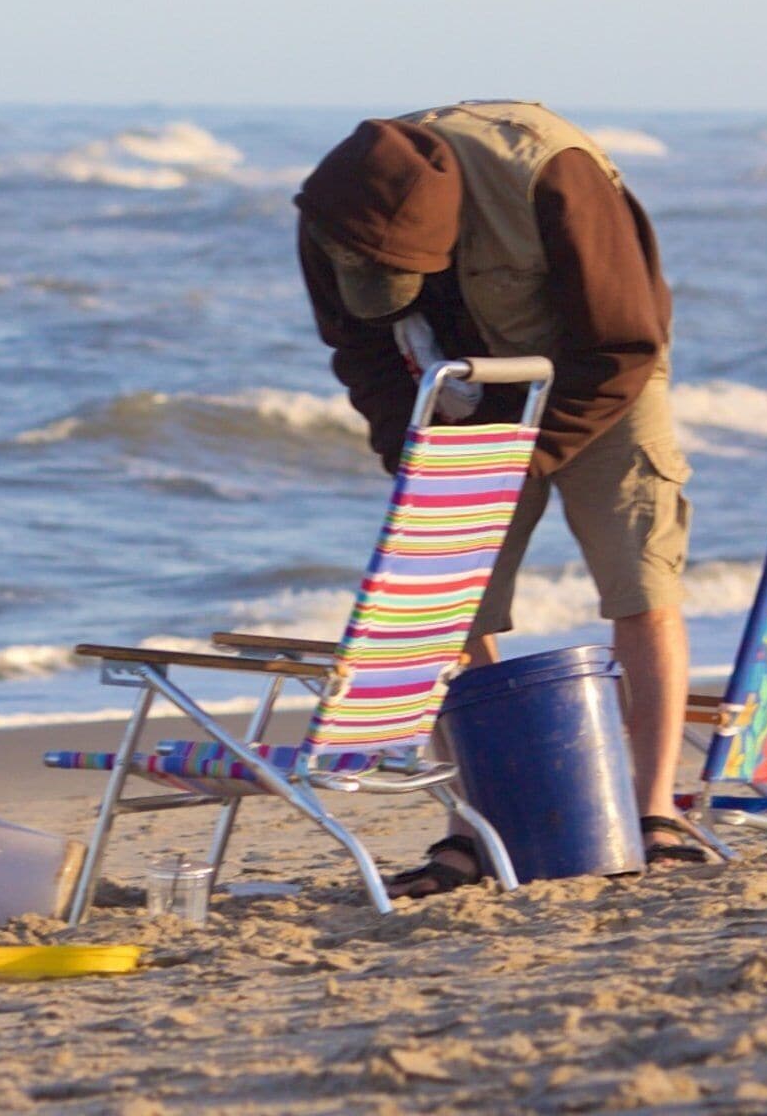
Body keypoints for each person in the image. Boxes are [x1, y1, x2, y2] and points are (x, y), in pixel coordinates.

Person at [291, 100, 719, 880]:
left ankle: (654, 810)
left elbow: (623, 343)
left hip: (604, 374)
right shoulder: (330, 211)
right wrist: (413, 452)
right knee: (451, 599)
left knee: (642, 583)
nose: (377, 282)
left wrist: (530, 458)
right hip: (456, 380)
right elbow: (361, 351)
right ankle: (473, 823)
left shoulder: (553, 174)